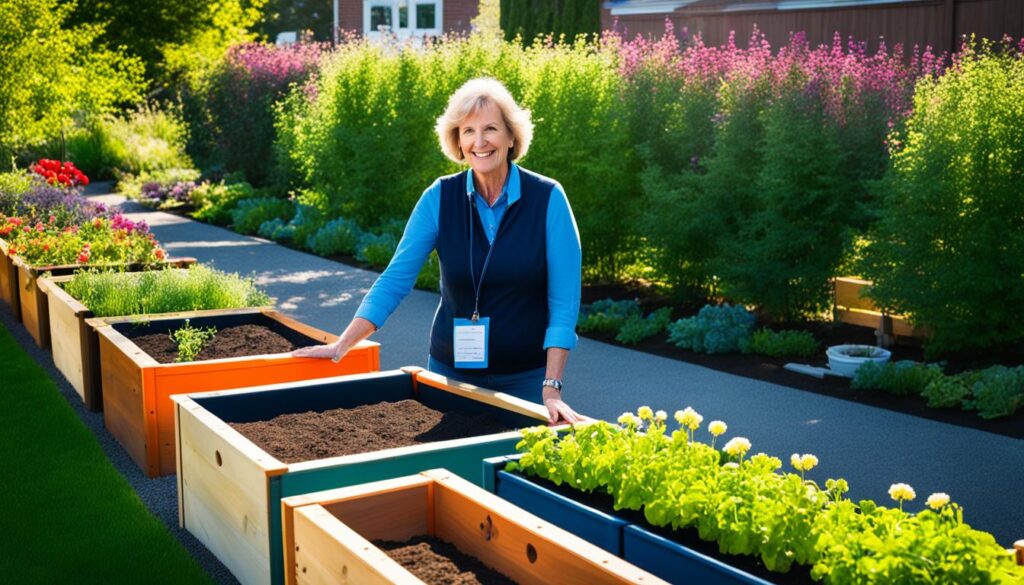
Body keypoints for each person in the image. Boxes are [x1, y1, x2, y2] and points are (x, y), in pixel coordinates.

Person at [293, 77, 582, 424]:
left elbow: (564, 302)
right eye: (468, 131)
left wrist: (551, 388)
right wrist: (343, 344)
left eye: (490, 128)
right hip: (451, 377)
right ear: (457, 141)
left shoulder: (548, 198)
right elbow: (396, 278)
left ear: (510, 136)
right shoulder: (439, 198)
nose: (479, 142)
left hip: (526, 381)